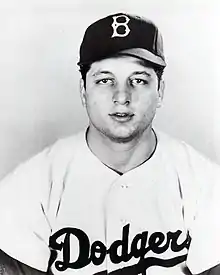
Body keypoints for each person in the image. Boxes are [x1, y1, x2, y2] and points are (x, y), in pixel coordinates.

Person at [0, 12, 219, 275]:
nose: (122, 96)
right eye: (105, 80)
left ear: (160, 91)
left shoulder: (206, 184)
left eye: (138, 80)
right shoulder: (26, 188)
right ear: (83, 91)